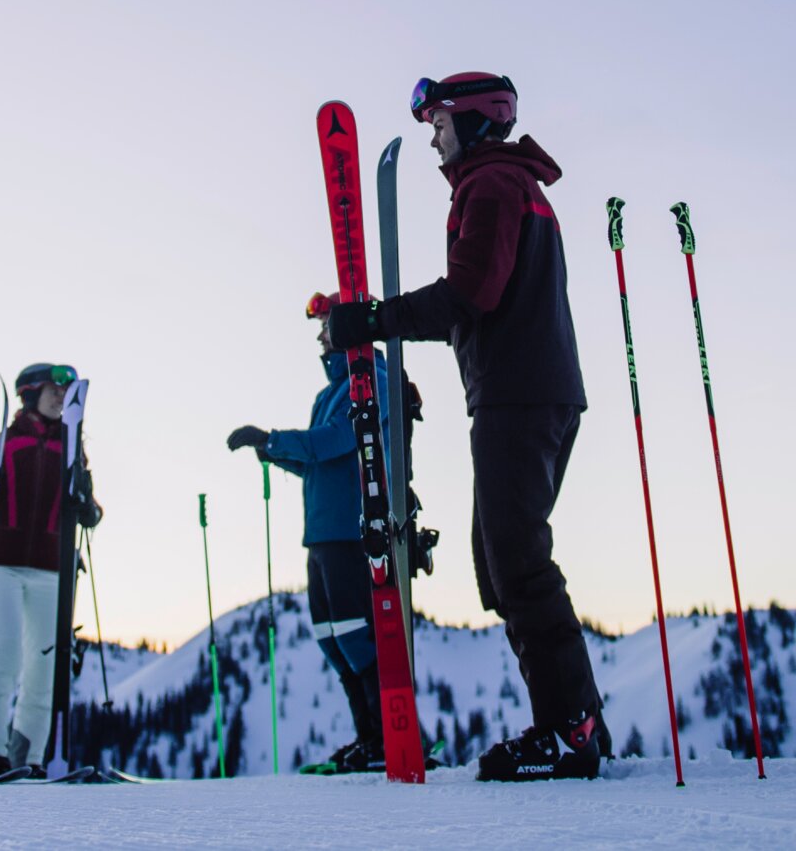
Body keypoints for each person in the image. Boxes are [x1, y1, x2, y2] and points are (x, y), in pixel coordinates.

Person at [324, 73, 607, 781]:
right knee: (501, 558)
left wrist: (375, 319)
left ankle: (568, 728)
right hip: (527, 392)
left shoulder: (490, 186)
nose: (432, 135)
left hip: (519, 393)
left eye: (439, 121)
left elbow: (469, 295)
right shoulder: (505, 185)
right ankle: (570, 723)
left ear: (475, 121)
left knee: (516, 560)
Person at [228, 293, 418, 774]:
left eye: (325, 324)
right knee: (331, 638)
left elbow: (338, 441)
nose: (319, 335)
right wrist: (270, 450)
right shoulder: (327, 394)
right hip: (322, 533)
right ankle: (369, 738)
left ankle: (388, 738)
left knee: (357, 636)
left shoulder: (369, 378)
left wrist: (272, 440)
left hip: (353, 530)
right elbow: (318, 463)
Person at [0, 364, 102, 778]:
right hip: (1, 565)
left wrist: (86, 503)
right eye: (53, 390)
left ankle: (30, 756)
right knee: (5, 652)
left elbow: (92, 514)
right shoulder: (2, 442)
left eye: (65, 392)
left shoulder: (72, 448)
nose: (61, 398)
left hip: (49, 570)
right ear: (29, 393)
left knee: (44, 665)